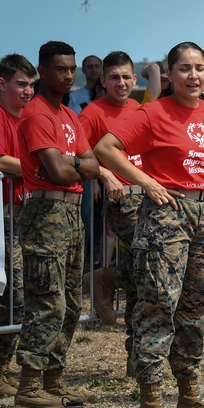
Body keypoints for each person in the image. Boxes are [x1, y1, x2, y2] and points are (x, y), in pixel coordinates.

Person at [95, 41, 204, 408]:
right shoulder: (153, 112)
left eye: (199, 68)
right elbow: (105, 148)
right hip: (167, 215)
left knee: (198, 306)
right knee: (159, 304)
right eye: (184, 69)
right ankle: (150, 403)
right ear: (170, 74)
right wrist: (145, 181)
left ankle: (189, 393)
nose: (193, 76)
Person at [14, 41, 102, 408]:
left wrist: (71, 164)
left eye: (72, 69)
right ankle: (29, 384)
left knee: (69, 303)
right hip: (46, 214)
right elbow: (59, 170)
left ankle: (53, 379)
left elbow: (93, 166)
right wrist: (71, 164)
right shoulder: (36, 114)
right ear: (42, 72)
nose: (68, 76)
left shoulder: (68, 116)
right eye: (60, 69)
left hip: (71, 211)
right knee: (47, 299)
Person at [78, 51, 138, 334]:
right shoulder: (92, 113)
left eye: (126, 76)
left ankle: (106, 278)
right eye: (114, 77)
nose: (121, 83)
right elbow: (76, 155)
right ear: (103, 80)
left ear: (134, 79)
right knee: (152, 260)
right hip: (120, 199)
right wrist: (103, 174)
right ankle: (106, 278)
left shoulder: (140, 109)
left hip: (148, 195)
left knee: (147, 265)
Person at [0, 54, 35, 397]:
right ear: (2, 84)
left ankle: (2, 368)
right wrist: (40, 165)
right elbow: (0, 160)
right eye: (21, 84)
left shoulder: (28, 119)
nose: (28, 91)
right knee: (12, 293)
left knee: (20, 294)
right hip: (3, 214)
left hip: (26, 211)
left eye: (31, 85)